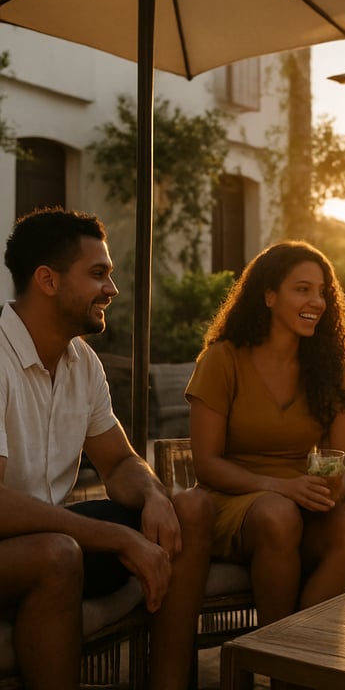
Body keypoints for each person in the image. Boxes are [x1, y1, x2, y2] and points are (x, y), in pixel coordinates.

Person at [0, 207, 213, 690]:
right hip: (24, 549)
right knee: (58, 554)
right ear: (47, 281)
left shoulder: (82, 362)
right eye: (98, 275)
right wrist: (117, 539)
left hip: (46, 537)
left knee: (190, 509)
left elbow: (118, 461)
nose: (112, 290)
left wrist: (156, 498)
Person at [185, 241, 345, 636]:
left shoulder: (332, 366)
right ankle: (279, 663)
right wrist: (280, 487)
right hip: (232, 500)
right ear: (269, 296)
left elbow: (344, 462)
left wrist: (332, 491)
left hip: (300, 499)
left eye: (323, 292)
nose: (316, 301)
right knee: (277, 514)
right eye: (302, 289)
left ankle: (299, 657)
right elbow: (206, 464)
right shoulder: (223, 359)